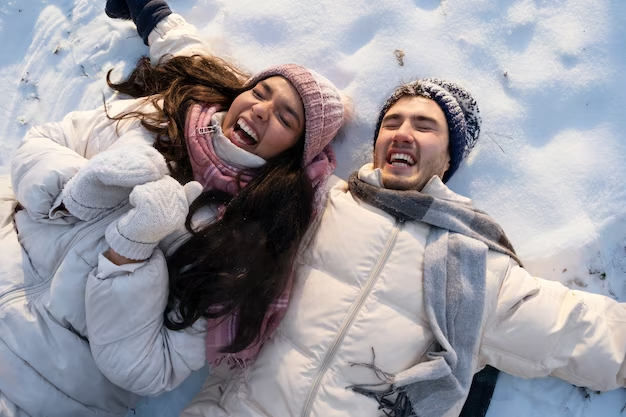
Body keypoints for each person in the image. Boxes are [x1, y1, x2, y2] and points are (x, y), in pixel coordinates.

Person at [181, 78, 626, 417]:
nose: (403, 133)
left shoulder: (472, 264)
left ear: (449, 157)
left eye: (425, 125)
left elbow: (576, 331)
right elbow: (228, 139)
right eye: (392, 122)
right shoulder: (315, 200)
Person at [0, 0, 345, 415]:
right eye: (259, 91)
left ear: (292, 154)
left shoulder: (244, 242)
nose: (259, 109)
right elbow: (42, 143)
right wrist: (79, 188)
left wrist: (130, 252)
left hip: (44, 382)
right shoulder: (161, 117)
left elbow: (150, 369)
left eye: (286, 119)